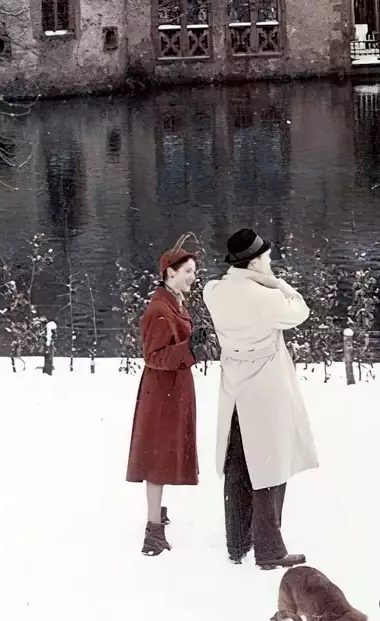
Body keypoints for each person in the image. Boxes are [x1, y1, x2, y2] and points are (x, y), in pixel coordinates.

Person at [201, 227, 316, 569]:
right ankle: (269, 548)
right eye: (265, 257)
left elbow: (226, 287)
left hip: (234, 390)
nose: (270, 261)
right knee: (270, 468)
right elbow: (301, 310)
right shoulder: (264, 297)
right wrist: (275, 282)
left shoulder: (214, 291)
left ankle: (237, 543)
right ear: (254, 263)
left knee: (237, 465)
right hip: (265, 391)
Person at [126, 237, 202, 555]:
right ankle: (153, 531)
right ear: (170, 273)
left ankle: (156, 512)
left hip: (172, 390)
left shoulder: (173, 303)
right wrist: (190, 347)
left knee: (164, 453)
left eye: (194, 271)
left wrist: (193, 345)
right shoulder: (160, 309)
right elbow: (153, 356)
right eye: (187, 271)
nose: (193, 277)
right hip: (161, 394)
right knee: (156, 458)